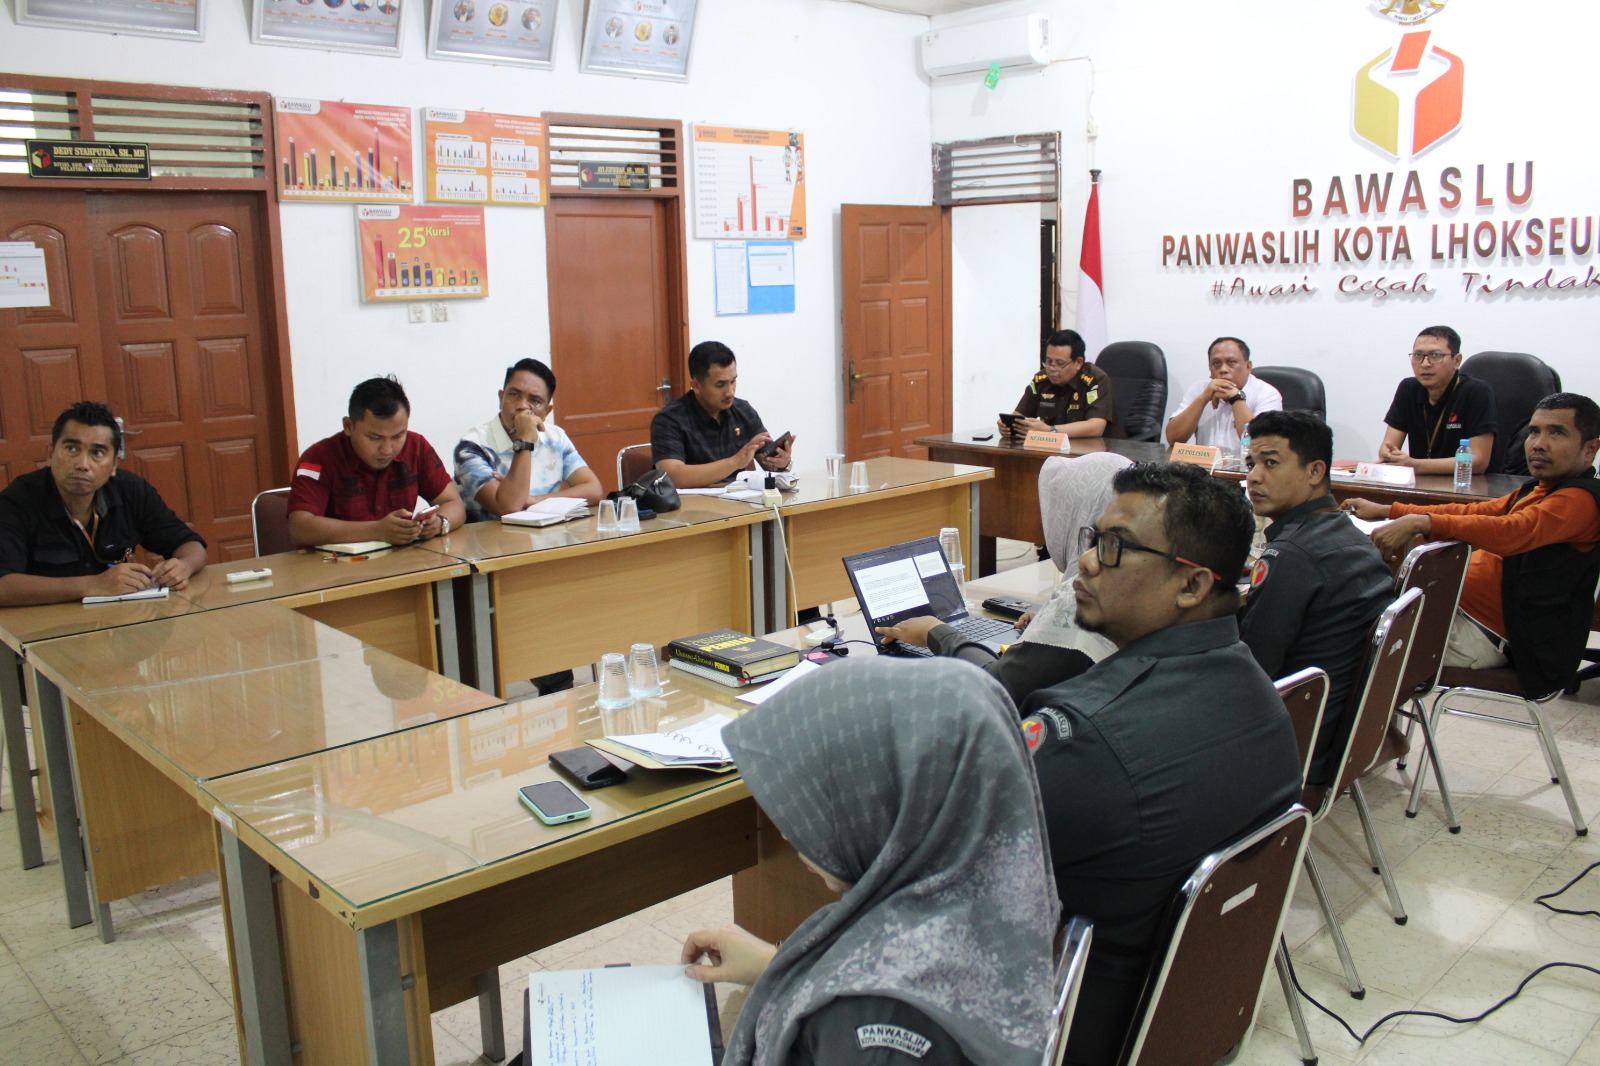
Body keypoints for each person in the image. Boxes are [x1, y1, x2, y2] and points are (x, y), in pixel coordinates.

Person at [1017, 461, 1300, 1064]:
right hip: (1180, 1023)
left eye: (1114, 547)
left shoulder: (1086, 732)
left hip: (1068, 1029)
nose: (1087, 562)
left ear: (1192, 586)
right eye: (1094, 539)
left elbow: (940, 858)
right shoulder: (1262, 697)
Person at [681, 658, 1059, 1066]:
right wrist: (773, 967)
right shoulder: (991, 898)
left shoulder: (875, 1023)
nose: (789, 835)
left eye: (819, 807)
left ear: (893, 803)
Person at [1349, 393, 1600, 698]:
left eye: (1556, 433)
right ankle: (1381, 737)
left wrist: (1422, 523)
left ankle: (1379, 741)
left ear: (1590, 449)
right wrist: (1390, 511)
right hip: (1455, 614)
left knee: (1355, 647)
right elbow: (1475, 512)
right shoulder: (1537, 489)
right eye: (1534, 431)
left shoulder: (1580, 501)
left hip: (1486, 639)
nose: (1538, 444)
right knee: (1352, 619)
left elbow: (1511, 532)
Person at [873, 452, 1128, 705]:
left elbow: (997, 686)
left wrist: (935, 633)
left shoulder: (1080, 604)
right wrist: (1047, 628)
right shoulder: (1130, 592)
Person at [1240, 411, 1393, 786]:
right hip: (1339, 733)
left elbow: (1251, 668)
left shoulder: (1293, 554)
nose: (1253, 476)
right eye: (1251, 463)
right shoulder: (1347, 533)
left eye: (1270, 462)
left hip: (1291, 746)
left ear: (1314, 472)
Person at [0, 402, 208, 605]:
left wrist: (183, 567)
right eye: (72, 449)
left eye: (97, 453)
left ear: (114, 465)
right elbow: (3, 586)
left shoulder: (131, 490)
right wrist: (93, 584)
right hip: (42, 625)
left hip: (119, 621)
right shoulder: (16, 501)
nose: (82, 464)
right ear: (50, 454)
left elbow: (191, 546)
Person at [287, 376, 466, 549]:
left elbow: (454, 503)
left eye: (398, 436)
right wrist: (377, 530)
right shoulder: (319, 457)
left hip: (401, 566)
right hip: (333, 571)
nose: (387, 449)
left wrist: (440, 523)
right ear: (349, 426)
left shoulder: (416, 447)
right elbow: (301, 527)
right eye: (375, 437)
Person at [453, 358, 602, 522]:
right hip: (489, 544)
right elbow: (507, 507)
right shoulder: (471, 446)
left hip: (546, 541)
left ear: (546, 411)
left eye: (534, 401)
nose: (522, 406)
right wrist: (525, 440)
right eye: (514, 395)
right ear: (501, 398)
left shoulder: (555, 438)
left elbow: (594, 490)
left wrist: (534, 500)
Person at [651, 341, 793, 488]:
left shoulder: (743, 410)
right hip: (691, 506)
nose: (730, 392)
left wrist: (782, 463)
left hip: (739, 503)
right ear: (696, 386)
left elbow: (769, 464)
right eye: (720, 385)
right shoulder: (669, 419)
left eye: (733, 382)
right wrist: (735, 462)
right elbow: (672, 476)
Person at [1378, 325, 1497, 475]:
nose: (1425, 364)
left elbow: (1478, 461)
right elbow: (1387, 447)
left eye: (1435, 356)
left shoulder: (1476, 392)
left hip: (1466, 488)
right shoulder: (1408, 389)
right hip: (1419, 485)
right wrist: (1389, 456)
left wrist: (1414, 465)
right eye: (1418, 355)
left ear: (1457, 360)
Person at [1164, 336, 1282, 452]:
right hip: (1203, 469)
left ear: (1248, 367)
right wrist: (1204, 398)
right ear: (1210, 368)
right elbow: (1173, 439)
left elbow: (1260, 444)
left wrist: (1236, 398)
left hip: (1248, 469)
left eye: (1231, 362)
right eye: (1216, 363)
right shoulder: (1199, 390)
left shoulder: (1268, 394)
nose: (1223, 369)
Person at [1000, 328, 1116, 439]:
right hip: (1052, 449)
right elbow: (1020, 414)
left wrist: (1050, 430)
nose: (1052, 368)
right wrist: (1008, 424)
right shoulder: (1041, 379)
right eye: (1049, 361)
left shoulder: (1095, 380)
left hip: (1091, 451)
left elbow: (1096, 426)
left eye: (1060, 363)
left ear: (1078, 363)